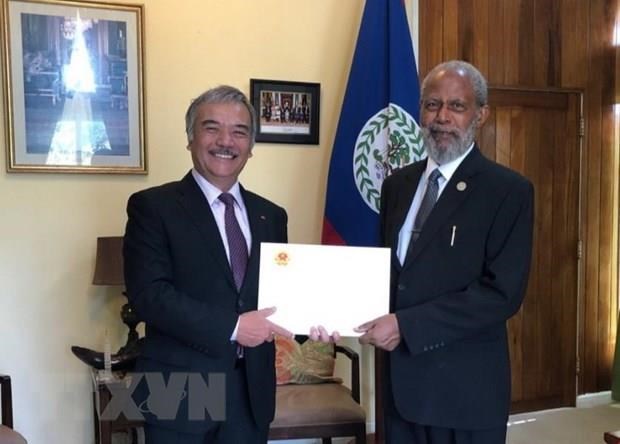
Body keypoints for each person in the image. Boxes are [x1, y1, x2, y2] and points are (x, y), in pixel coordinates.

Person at [123, 85, 330, 443]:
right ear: (190, 138)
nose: (226, 141)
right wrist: (234, 327)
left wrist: (314, 321)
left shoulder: (270, 215)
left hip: (250, 389)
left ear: (251, 147)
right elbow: (150, 296)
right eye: (212, 127)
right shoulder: (152, 207)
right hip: (179, 387)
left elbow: (278, 298)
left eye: (239, 132)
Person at [356, 60, 534, 443]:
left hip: (464, 393)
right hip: (400, 391)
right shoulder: (397, 186)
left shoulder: (508, 192)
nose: (442, 117)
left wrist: (407, 326)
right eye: (432, 104)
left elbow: (501, 295)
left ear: (480, 114)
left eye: (457, 106)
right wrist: (341, 315)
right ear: (420, 111)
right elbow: (389, 274)